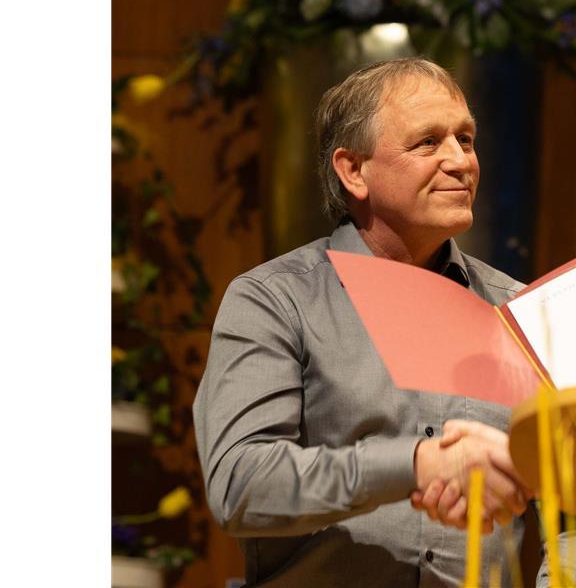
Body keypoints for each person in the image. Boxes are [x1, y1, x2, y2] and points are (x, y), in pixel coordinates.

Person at [193, 57, 532, 586]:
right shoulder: (275, 300)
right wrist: (417, 464)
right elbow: (242, 484)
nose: (460, 161)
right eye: (427, 142)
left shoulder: (520, 311)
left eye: (465, 140)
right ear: (353, 170)